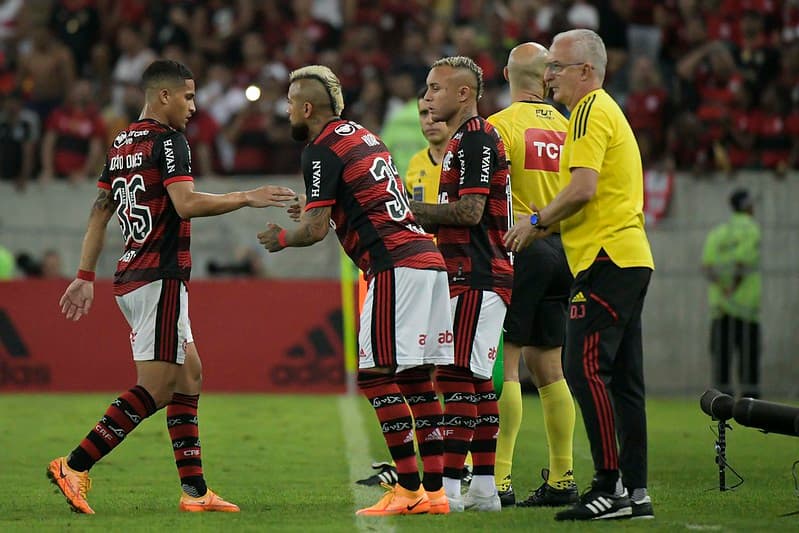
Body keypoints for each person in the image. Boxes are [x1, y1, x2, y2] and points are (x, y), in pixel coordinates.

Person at [48, 59, 296, 515]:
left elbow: (99, 213)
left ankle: (195, 493)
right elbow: (185, 204)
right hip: (157, 276)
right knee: (158, 387)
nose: (193, 106)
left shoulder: (122, 143)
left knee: (190, 376)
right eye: (188, 96)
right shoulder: (169, 141)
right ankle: (74, 464)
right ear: (164, 96)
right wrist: (246, 196)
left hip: (135, 276)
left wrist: (84, 275)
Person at [258, 65, 453, 516]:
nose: (287, 110)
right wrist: (312, 208)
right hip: (427, 260)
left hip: (394, 265)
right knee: (416, 380)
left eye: (291, 103)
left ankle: (407, 491)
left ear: (308, 108)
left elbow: (315, 230)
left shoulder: (319, 148)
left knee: (375, 376)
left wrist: (283, 238)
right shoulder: (364, 136)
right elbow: (362, 199)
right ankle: (435, 494)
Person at [505, 29, 655, 521]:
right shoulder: (605, 111)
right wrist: (542, 226)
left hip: (605, 259)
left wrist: (534, 221)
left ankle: (607, 486)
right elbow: (590, 196)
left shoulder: (589, 109)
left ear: (585, 72)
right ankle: (636, 492)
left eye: (557, 67)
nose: (548, 76)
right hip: (629, 256)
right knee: (625, 380)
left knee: (583, 368)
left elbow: (583, 189)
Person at [410, 55, 513, 513]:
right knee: (475, 382)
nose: (428, 96)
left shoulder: (474, 139)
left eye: (436, 88)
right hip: (474, 272)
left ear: (464, 93)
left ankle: (448, 489)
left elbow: (470, 212)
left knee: (455, 377)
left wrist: (412, 210)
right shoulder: (463, 140)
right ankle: (484, 489)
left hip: (477, 271)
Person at [486, 42, 577, 508]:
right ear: (547, 78)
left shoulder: (499, 127)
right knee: (550, 368)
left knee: (507, 362)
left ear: (506, 74)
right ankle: (563, 477)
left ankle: (498, 479)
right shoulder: (569, 127)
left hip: (520, 248)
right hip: (564, 249)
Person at [701, 188, 761, 399]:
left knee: (721, 367)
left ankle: (721, 407)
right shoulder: (751, 229)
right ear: (747, 206)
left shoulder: (718, 232)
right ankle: (751, 407)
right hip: (746, 309)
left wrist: (723, 289)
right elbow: (742, 264)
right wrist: (733, 289)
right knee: (749, 367)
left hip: (720, 308)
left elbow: (707, 267)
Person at [404, 88, 450, 203]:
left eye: (435, 111)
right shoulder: (415, 163)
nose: (430, 120)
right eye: (424, 113)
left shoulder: (464, 159)